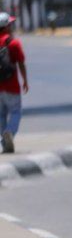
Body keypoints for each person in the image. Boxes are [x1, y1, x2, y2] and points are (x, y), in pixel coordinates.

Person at [0, 12, 28, 153]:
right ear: (6, 27)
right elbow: (21, 63)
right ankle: (9, 132)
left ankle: (4, 142)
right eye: (10, 24)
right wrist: (25, 81)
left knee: (0, 115)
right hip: (12, 87)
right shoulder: (14, 43)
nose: (11, 26)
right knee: (16, 112)